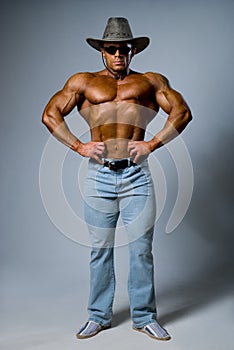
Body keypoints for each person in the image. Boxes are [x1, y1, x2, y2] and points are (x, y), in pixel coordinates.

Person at [42, 17, 192, 341]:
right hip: (99, 176)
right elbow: (50, 113)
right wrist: (79, 146)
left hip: (137, 175)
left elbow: (182, 112)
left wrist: (152, 143)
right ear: (102, 51)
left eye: (124, 49)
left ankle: (144, 316)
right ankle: (98, 316)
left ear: (133, 50)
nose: (118, 55)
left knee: (141, 249)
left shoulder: (150, 83)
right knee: (100, 249)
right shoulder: (83, 83)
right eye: (111, 50)